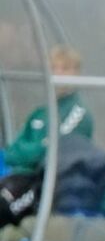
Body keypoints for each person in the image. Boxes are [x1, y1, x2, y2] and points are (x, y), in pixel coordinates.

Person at [2, 45, 93, 175]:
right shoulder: (40, 113)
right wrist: (39, 146)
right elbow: (11, 153)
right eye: (54, 68)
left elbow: (54, 150)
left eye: (65, 69)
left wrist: (30, 150)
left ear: (76, 73)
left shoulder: (78, 113)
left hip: (58, 185)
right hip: (26, 182)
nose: (58, 73)